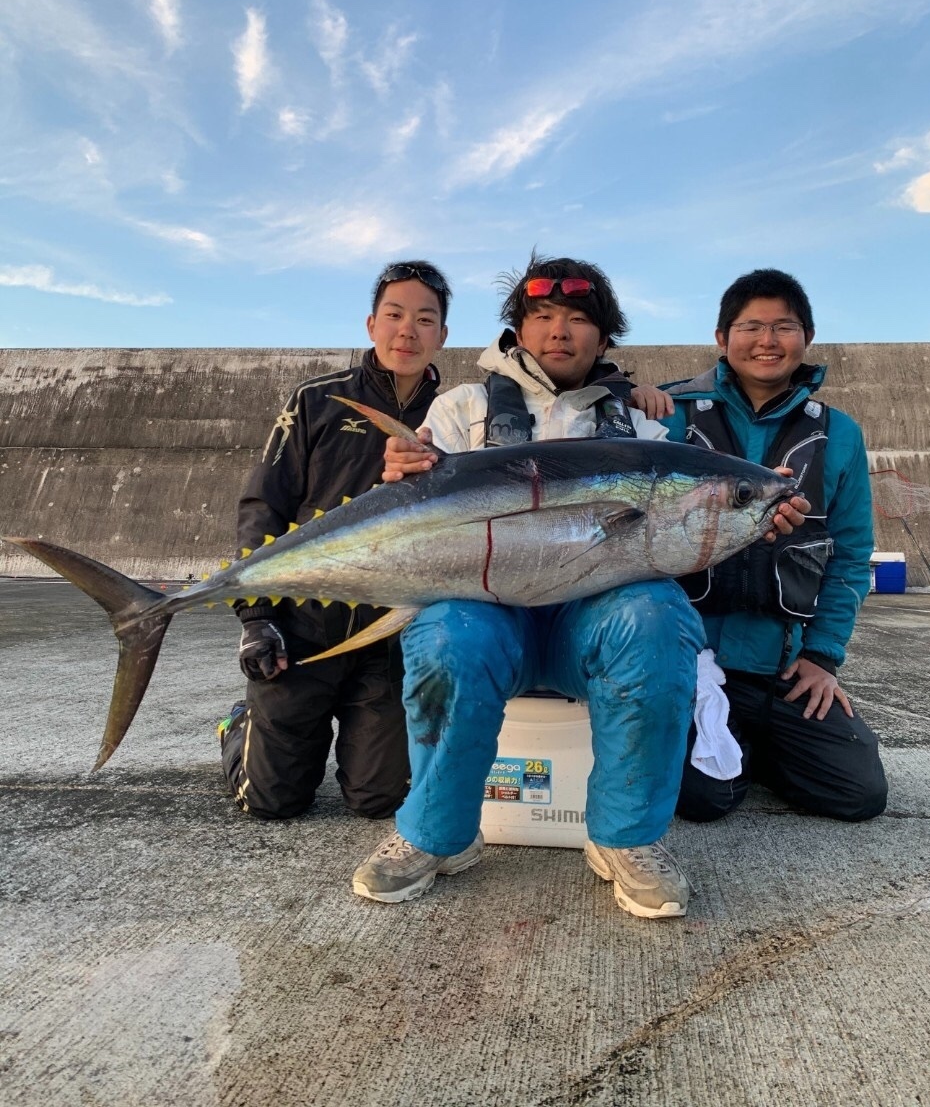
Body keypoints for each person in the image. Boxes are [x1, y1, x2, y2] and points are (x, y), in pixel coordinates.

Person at [350, 252, 712, 920]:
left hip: (592, 625)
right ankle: (437, 835)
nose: (560, 331)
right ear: (516, 330)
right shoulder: (461, 408)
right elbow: (423, 513)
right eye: (542, 316)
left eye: (579, 319)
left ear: (605, 339)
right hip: (493, 618)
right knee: (449, 633)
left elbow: (679, 546)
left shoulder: (644, 424)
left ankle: (626, 838)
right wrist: (402, 471)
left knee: (659, 618)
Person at [640, 268, 887, 823]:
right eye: (750, 326)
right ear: (722, 338)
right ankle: (722, 749)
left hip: (779, 665)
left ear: (807, 338)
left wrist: (822, 658)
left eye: (784, 327)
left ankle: (747, 745)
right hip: (689, 655)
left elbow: (850, 555)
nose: (767, 341)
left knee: (857, 794)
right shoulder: (671, 414)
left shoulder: (839, 433)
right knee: (700, 803)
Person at [217, 261, 452, 821]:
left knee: (379, 801)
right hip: (303, 625)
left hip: (389, 633)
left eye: (425, 319)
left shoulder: (454, 415)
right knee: (271, 803)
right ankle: (238, 725)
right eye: (395, 315)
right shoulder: (317, 400)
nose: (407, 331)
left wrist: (628, 385)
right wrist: (257, 619)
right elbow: (264, 505)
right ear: (371, 324)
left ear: (442, 335)